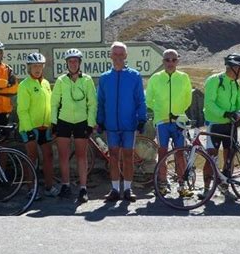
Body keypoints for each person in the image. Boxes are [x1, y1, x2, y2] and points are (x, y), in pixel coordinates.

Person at [97, 41, 147, 202]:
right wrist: (100, 120)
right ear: (110, 56)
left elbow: (141, 100)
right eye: (115, 54)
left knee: (127, 156)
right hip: (111, 125)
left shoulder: (134, 76)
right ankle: (114, 189)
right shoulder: (104, 78)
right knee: (113, 156)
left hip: (129, 124)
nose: (118, 57)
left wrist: (142, 119)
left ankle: (127, 189)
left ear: (125, 56)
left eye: (121, 54)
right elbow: (101, 101)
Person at [51, 48, 97, 203]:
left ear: (80, 63)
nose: (73, 64)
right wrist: (54, 123)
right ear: (66, 63)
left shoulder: (87, 80)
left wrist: (90, 123)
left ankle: (83, 188)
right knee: (63, 156)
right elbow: (54, 103)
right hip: (63, 121)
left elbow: (92, 103)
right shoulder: (61, 80)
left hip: (81, 121)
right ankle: (65, 185)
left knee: (81, 156)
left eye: (75, 61)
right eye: (70, 61)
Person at [200, 53, 240, 201]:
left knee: (229, 157)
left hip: (231, 125)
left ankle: (224, 187)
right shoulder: (215, 80)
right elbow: (209, 103)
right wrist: (225, 113)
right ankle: (206, 189)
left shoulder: (236, 84)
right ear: (234, 67)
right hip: (215, 125)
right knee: (211, 156)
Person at [145, 49, 193, 197]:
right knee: (162, 153)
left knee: (180, 153)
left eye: (173, 60)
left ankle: (182, 185)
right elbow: (149, 99)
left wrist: (179, 112)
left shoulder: (184, 77)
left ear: (177, 61)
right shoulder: (155, 78)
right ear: (163, 61)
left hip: (179, 121)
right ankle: (162, 184)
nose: (170, 63)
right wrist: (160, 111)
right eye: (167, 60)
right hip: (162, 122)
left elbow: (188, 98)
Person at [17, 52, 58, 199]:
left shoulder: (46, 83)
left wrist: (52, 124)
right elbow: (22, 110)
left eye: (40, 66)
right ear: (28, 68)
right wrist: (28, 130)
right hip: (30, 128)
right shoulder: (24, 85)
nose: (37, 69)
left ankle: (49, 187)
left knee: (48, 156)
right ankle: (31, 189)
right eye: (34, 66)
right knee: (31, 158)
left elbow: (50, 105)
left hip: (45, 127)